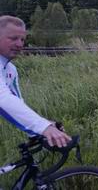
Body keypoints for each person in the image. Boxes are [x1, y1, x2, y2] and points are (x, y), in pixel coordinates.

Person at [0, 16, 71, 147]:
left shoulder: (10, 69)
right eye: (13, 38)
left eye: (22, 39)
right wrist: (43, 127)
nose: (20, 44)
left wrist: (41, 128)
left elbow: (17, 102)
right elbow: (3, 100)